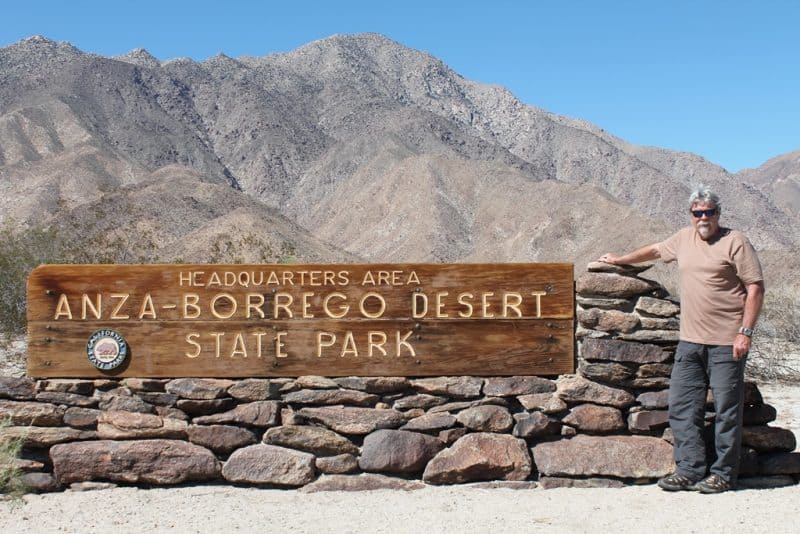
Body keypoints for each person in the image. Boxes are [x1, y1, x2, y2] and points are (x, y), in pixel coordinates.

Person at [599, 186, 764, 494]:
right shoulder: (683, 239)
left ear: (718, 214)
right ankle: (689, 469)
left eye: (709, 212)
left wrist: (746, 332)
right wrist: (621, 260)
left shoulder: (735, 242)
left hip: (727, 341)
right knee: (682, 405)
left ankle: (724, 475)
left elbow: (755, 287)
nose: (704, 218)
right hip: (690, 341)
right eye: (697, 213)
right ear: (691, 215)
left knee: (727, 409)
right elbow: (654, 251)